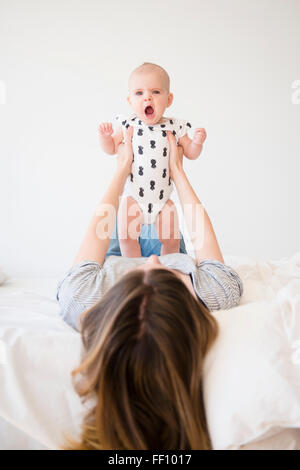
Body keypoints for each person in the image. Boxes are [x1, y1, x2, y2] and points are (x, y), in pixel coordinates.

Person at [56, 128, 243, 450]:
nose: (154, 255)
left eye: (144, 269)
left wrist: (121, 170)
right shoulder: (215, 292)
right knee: (170, 225)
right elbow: (198, 233)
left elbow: (99, 225)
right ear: (191, 301)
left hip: (114, 256)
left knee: (125, 215)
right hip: (174, 249)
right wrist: (177, 173)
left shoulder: (84, 297)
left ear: (113, 297)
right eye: (171, 274)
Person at [98, 62, 207, 257]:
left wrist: (197, 143)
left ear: (169, 99)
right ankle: (135, 270)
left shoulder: (174, 126)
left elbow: (190, 152)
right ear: (130, 101)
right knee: (125, 237)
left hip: (163, 199)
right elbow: (112, 148)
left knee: (172, 240)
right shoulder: (128, 124)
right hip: (134, 197)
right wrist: (105, 138)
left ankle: (165, 269)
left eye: (155, 92)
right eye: (139, 93)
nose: (147, 97)